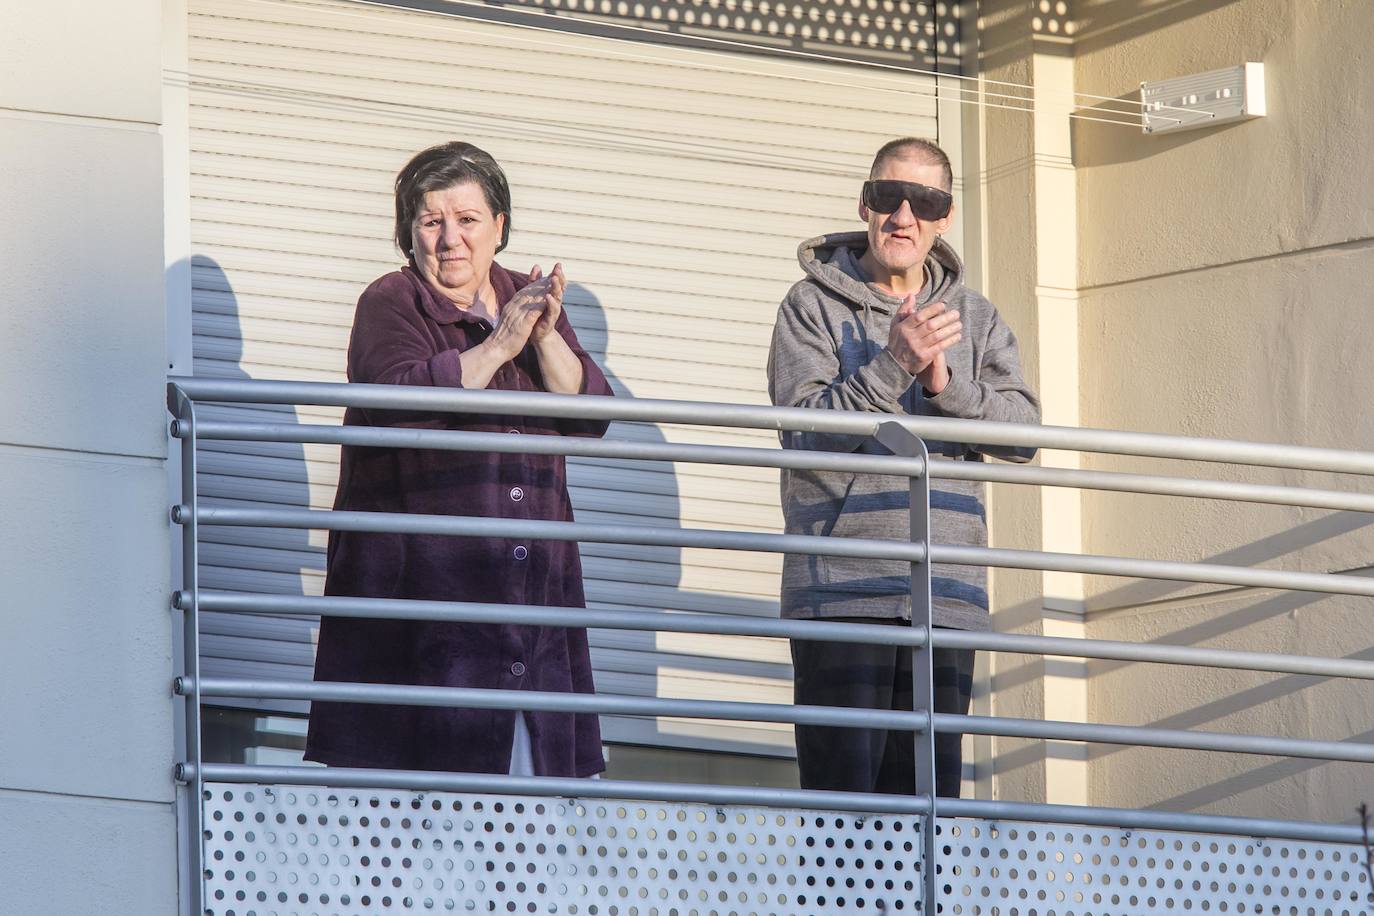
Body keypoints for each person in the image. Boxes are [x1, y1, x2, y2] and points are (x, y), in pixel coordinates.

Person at [303, 141, 613, 778]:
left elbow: (591, 414)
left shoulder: (526, 298)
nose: (450, 239)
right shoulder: (391, 301)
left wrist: (544, 337)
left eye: (467, 219)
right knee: (416, 803)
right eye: (431, 221)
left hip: (529, 595)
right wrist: (500, 345)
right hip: (421, 598)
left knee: (527, 801)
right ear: (408, 233)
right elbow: (398, 404)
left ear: (499, 226)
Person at [767, 137, 1040, 798]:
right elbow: (803, 432)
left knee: (926, 816)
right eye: (889, 195)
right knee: (842, 816)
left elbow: (1025, 434)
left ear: (945, 218)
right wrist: (894, 366)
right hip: (842, 593)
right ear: (865, 203)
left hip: (943, 594)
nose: (904, 215)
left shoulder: (975, 317)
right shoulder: (810, 306)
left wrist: (945, 384)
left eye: (925, 201)